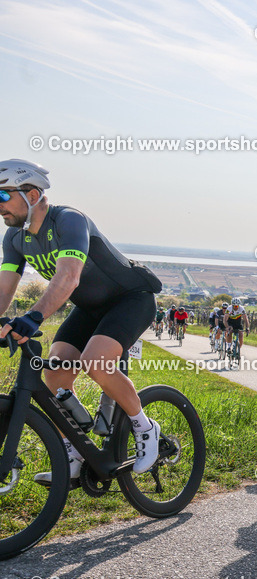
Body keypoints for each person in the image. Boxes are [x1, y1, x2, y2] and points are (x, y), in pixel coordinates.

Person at [0, 159, 163, 483]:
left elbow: (68, 277)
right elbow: (4, 289)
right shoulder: (15, 238)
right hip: (89, 308)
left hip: (131, 299)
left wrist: (33, 317)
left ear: (32, 195)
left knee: (96, 362)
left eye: (3, 195)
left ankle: (145, 427)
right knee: (55, 372)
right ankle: (75, 450)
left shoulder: (69, 220)